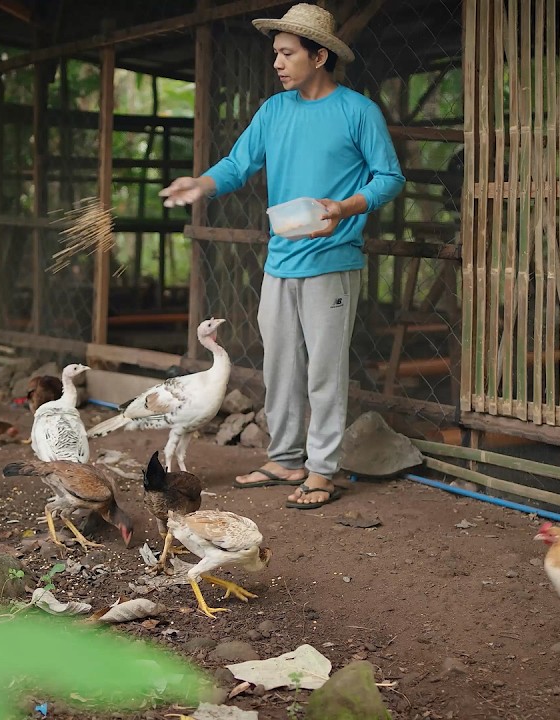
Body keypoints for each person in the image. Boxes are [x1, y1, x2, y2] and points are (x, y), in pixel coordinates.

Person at [160, 3, 404, 510]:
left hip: (333, 259)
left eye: (287, 53)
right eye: (276, 53)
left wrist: (344, 206)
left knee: (324, 372)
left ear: (319, 56)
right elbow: (239, 163)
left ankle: (322, 470)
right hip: (280, 260)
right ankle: (286, 456)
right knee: (281, 368)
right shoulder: (273, 111)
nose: (277, 62)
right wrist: (201, 183)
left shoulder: (357, 111)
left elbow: (389, 178)